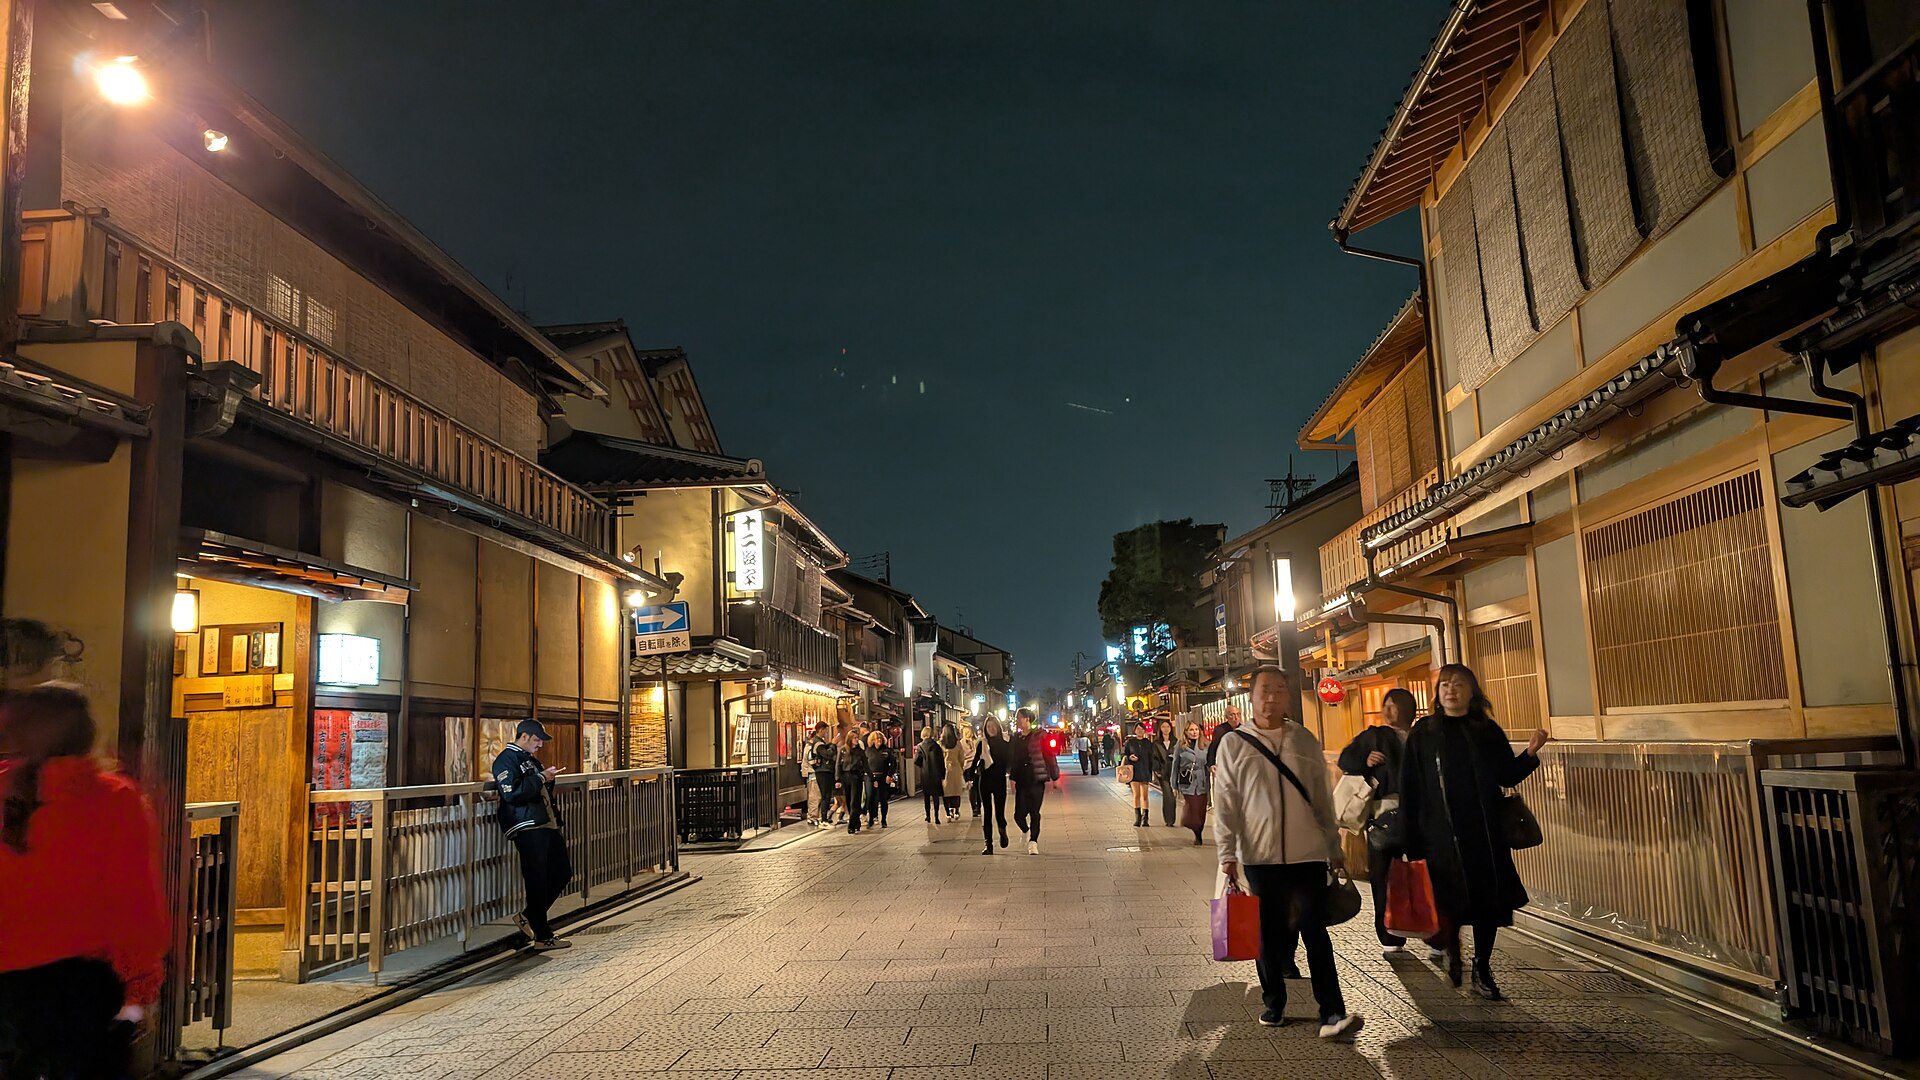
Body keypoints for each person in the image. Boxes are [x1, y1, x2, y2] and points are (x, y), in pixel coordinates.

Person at [0, 685, 167, 1080]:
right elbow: (135, 906)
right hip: (81, 988)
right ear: (86, 733)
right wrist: (139, 993)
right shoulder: (113, 799)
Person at [1215, 666, 1362, 1040]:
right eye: (1265, 689)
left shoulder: (1304, 740)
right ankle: (1273, 1002)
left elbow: (1321, 798)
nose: (1271, 697)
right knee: (1269, 933)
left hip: (1307, 853)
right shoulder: (1234, 743)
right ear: (1251, 697)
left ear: (1287, 697)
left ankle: (1332, 1011)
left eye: (1279, 690)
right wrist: (1227, 854)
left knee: (1314, 931)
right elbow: (1227, 802)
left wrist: (1333, 845)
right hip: (1259, 856)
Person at [1398, 664, 1550, 999]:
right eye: (1445, 685)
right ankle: (1453, 950)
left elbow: (1505, 776)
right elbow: (1409, 787)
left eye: (1459, 684)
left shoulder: (1485, 730)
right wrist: (1410, 839)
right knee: (1447, 903)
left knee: (1487, 904)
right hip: (1437, 836)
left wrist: (1530, 753)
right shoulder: (1423, 733)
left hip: (1483, 833)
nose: (1451, 690)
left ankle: (1482, 967)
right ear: (1438, 693)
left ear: (1472, 691)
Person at [1337, 687, 1418, 955]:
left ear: (1409, 709)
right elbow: (1345, 759)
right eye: (1386, 705)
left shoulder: (1421, 737)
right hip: (1384, 815)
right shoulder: (1375, 736)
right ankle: (1389, 934)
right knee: (1381, 876)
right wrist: (1365, 760)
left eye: (1394, 705)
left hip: (1420, 814)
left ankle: (1431, 928)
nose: (1388, 710)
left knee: (1423, 872)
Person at [493, 718, 573, 951]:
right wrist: (540, 778)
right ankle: (542, 935)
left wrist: (546, 778)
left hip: (545, 823)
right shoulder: (506, 760)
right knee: (537, 878)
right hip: (526, 825)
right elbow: (512, 793)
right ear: (524, 736)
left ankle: (529, 917)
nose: (540, 745)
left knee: (562, 872)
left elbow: (538, 786)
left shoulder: (530, 760)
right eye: (537, 740)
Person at [1007, 708, 1060, 854]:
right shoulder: (1016, 738)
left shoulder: (1039, 736)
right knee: (1019, 814)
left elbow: (1049, 756)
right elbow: (1013, 760)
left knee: (1034, 812)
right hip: (1021, 780)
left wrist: (1055, 777)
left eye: (1019, 718)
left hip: (1036, 778)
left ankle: (1033, 841)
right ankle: (1025, 830)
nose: (1017, 721)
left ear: (1027, 719)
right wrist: (1012, 778)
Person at [971, 716, 1012, 854]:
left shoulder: (1005, 742)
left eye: (993, 726)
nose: (991, 729)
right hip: (985, 781)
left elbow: (1010, 762)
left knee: (999, 812)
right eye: (988, 727)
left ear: (998, 727)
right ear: (985, 729)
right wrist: (970, 776)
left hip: (999, 781)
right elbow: (975, 760)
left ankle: (1002, 830)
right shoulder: (982, 744)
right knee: (986, 813)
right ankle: (988, 844)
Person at [1171, 719, 1210, 844]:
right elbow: (1175, 765)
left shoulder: (1205, 744)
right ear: (1186, 732)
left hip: (1202, 781)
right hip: (1187, 780)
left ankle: (1199, 832)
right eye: (1191, 730)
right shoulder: (1180, 745)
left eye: (1196, 729)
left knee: (1201, 809)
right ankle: (1194, 829)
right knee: (1192, 807)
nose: (1194, 732)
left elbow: (1210, 762)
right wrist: (1174, 785)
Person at [1122, 724, 1163, 827]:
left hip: (1145, 770)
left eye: (1141, 729)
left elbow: (1152, 758)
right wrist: (1130, 757)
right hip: (1134, 771)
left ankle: (1145, 818)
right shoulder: (1130, 742)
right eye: (1138, 729)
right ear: (1135, 730)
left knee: (1144, 796)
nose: (1140, 731)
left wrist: (1154, 770)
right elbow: (1125, 754)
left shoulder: (1148, 743)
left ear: (1144, 731)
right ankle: (1137, 818)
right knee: (1136, 795)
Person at [836, 728, 868, 834]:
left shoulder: (860, 751)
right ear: (849, 739)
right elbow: (838, 765)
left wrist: (870, 777)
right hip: (846, 776)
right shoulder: (843, 750)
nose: (856, 739)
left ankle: (851, 825)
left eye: (857, 738)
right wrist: (837, 779)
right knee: (849, 800)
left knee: (855, 801)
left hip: (856, 776)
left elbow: (865, 764)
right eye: (854, 738)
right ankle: (856, 821)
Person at [865, 730, 899, 829]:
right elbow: (865, 764)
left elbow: (893, 763)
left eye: (880, 738)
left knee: (883, 799)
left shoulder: (887, 751)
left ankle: (884, 819)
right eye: (876, 739)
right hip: (871, 778)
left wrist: (889, 775)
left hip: (883, 777)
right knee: (871, 798)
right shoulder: (868, 751)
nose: (878, 741)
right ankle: (871, 818)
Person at [809, 725, 839, 829]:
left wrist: (830, 743)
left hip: (824, 771)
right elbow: (828, 754)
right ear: (820, 730)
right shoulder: (818, 743)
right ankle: (824, 820)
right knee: (825, 795)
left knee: (826, 795)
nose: (826, 733)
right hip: (823, 772)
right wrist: (833, 745)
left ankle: (824, 819)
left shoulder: (819, 742)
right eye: (825, 730)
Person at [915, 725, 948, 822]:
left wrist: (922, 764)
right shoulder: (936, 746)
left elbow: (916, 761)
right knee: (936, 796)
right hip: (936, 774)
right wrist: (943, 774)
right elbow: (941, 761)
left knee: (926, 796)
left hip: (925, 774)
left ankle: (928, 816)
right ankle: (937, 817)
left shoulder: (920, 746)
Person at [1206, 702, 1245, 777]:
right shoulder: (1220, 730)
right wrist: (1211, 764)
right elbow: (1213, 748)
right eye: (1232, 714)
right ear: (1226, 717)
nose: (1236, 717)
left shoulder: (1244, 730)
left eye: (1238, 714)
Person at [949, 722, 977, 818]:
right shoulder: (974, 742)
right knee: (975, 788)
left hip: (965, 768)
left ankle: (974, 808)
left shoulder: (961, 743)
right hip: (973, 767)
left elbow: (960, 757)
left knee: (971, 788)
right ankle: (976, 807)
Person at [1155, 719, 1180, 825]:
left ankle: (1171, 818)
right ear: (1160, 729)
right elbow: (1154, 757)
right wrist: (1157, 769)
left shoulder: (1176, 742)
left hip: (1174, 771)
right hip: (1163, 772)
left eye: (1168, 727)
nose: (1166, 729)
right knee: (1168, 795)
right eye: (1163, 727)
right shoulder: (1157, 743)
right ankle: (1169, 820)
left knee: (1173, 796)